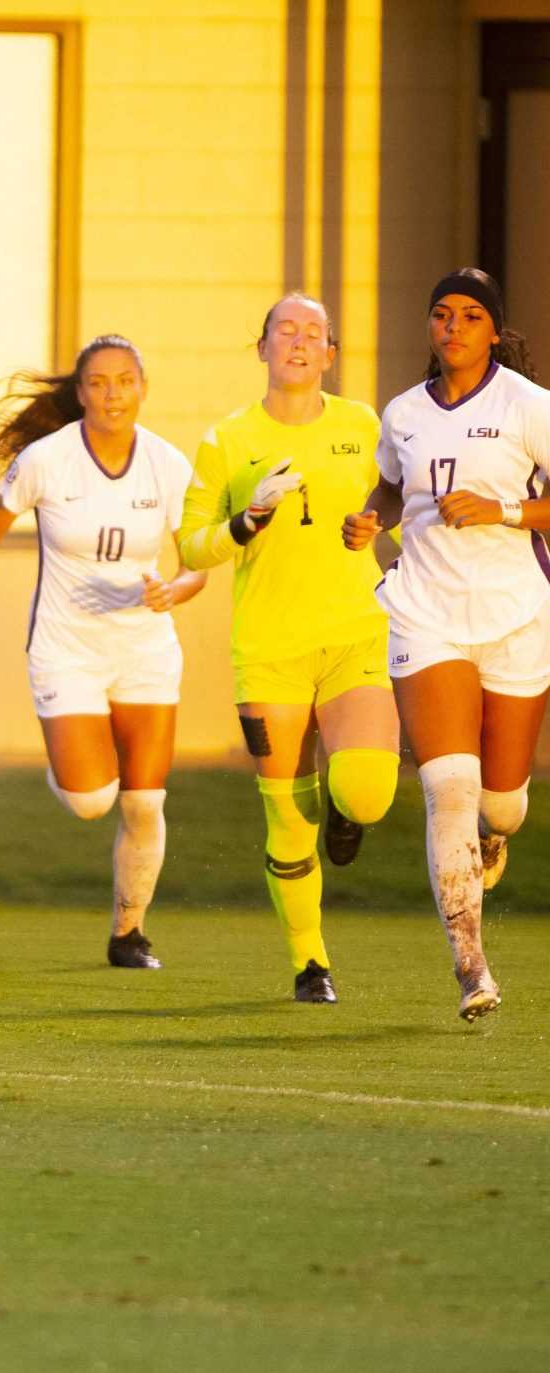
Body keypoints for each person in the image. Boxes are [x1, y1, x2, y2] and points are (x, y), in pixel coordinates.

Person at [0, 336, 205, 970]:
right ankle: (69, 760)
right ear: (80, 393)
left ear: (142, 388)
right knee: (90, 801)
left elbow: (198, 565)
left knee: (144, 801)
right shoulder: (45, 460)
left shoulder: (167, 464)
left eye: (125, 381)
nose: (112, 394)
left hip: (145, 649)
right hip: (66, 648)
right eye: (99, 383)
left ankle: (130, 932)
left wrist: (177, 589)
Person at [343, 270, 549, 1021]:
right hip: (425, 611)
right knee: (449, 789)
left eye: (470, 316)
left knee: (503, 802)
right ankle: (471, 965)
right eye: (440, 314)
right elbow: (392, 490)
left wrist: (504, 509)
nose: (452, 326)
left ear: (495, 331)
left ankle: (495, 839)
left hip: (517, 615)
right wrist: (368, 519)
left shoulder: (531, 407)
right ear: (429, 328)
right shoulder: (402, 412)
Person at [177, 295, 395, 1005]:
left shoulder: (364, 425)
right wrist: (245, 521)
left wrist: (378, 534)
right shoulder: (226, 440)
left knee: (365, 790)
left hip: (356, 633)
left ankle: (348, 806)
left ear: (330, 353)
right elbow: (191, 543)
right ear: (263, 348)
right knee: (287, 817)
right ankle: (311, 964)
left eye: (314, 334)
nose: (300, 343)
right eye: (286, 331)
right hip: (269, 651)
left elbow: (394, 508)